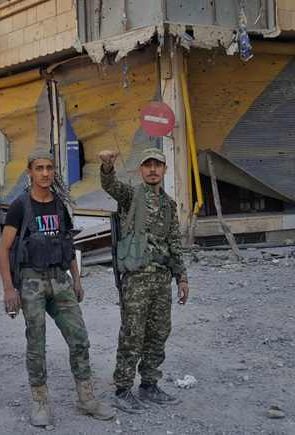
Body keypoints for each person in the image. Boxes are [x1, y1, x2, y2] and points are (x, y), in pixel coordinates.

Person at [0, 151, 115, 428]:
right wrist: (8, 289)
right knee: (36, 343)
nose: (46, 173)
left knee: (79, 339)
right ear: (30, 172)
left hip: (59, 279)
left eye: (49, 168)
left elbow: (68, 245)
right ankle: (40, 402)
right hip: (31, 280)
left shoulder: (60, 205)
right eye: (40, 168)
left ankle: (87, 399)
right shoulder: (20, 207)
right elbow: (3, 250)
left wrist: (77, 279)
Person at [99, 147, 189, 412]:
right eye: (148, 165)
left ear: (164, 170)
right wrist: (107, 166)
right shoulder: (131, 195)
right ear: (141, 169)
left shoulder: (169, 205)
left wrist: (181, 277)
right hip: (136, 279)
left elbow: (174, 242)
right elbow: (111, 185)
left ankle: (149, 385)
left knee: (158, 333)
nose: (152, 169)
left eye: (157, 165)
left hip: (161, 278)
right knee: (132, 334)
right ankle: (123, 389)